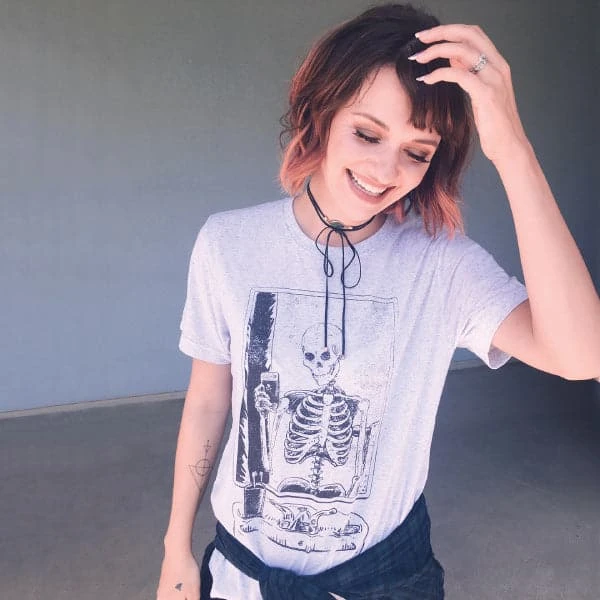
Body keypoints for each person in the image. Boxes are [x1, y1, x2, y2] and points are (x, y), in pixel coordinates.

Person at [156, 3, 600, 599]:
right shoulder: (228, 243)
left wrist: (512, 149)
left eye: (417, 152)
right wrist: (176, 548)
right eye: (367, 134)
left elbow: (582, 356)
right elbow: (209, 400)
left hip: (381, 579)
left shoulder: (443, 265)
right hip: (242, 571)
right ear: (320, 112)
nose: (385, 170)